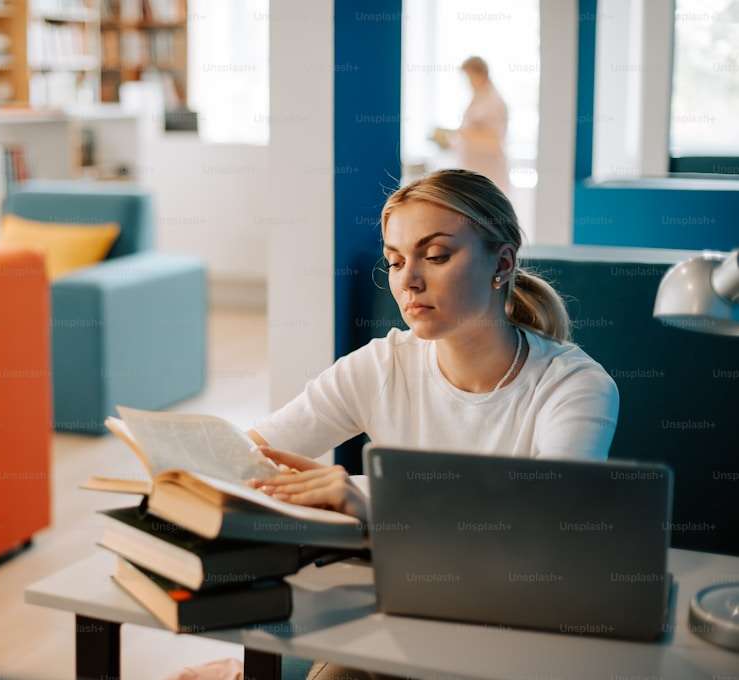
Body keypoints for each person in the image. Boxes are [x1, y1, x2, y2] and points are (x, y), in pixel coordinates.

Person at [243, 169, 619, 680]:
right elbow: (252, 455)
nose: (408, 279)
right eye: (395, 261)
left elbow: (546, 534)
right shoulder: (382, 364)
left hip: (519, 629)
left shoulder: (573, 386)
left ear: (502, 263)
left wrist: (370, 503)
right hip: (404, 612)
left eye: (437, 256)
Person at [432, 56, 511, 195]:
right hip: (474, 169)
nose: (468, 82)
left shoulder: (493, 102)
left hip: (489, 171)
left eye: (469, 76)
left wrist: (464, 133)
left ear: (480, 74)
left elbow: (495, 140)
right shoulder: (478, 97)